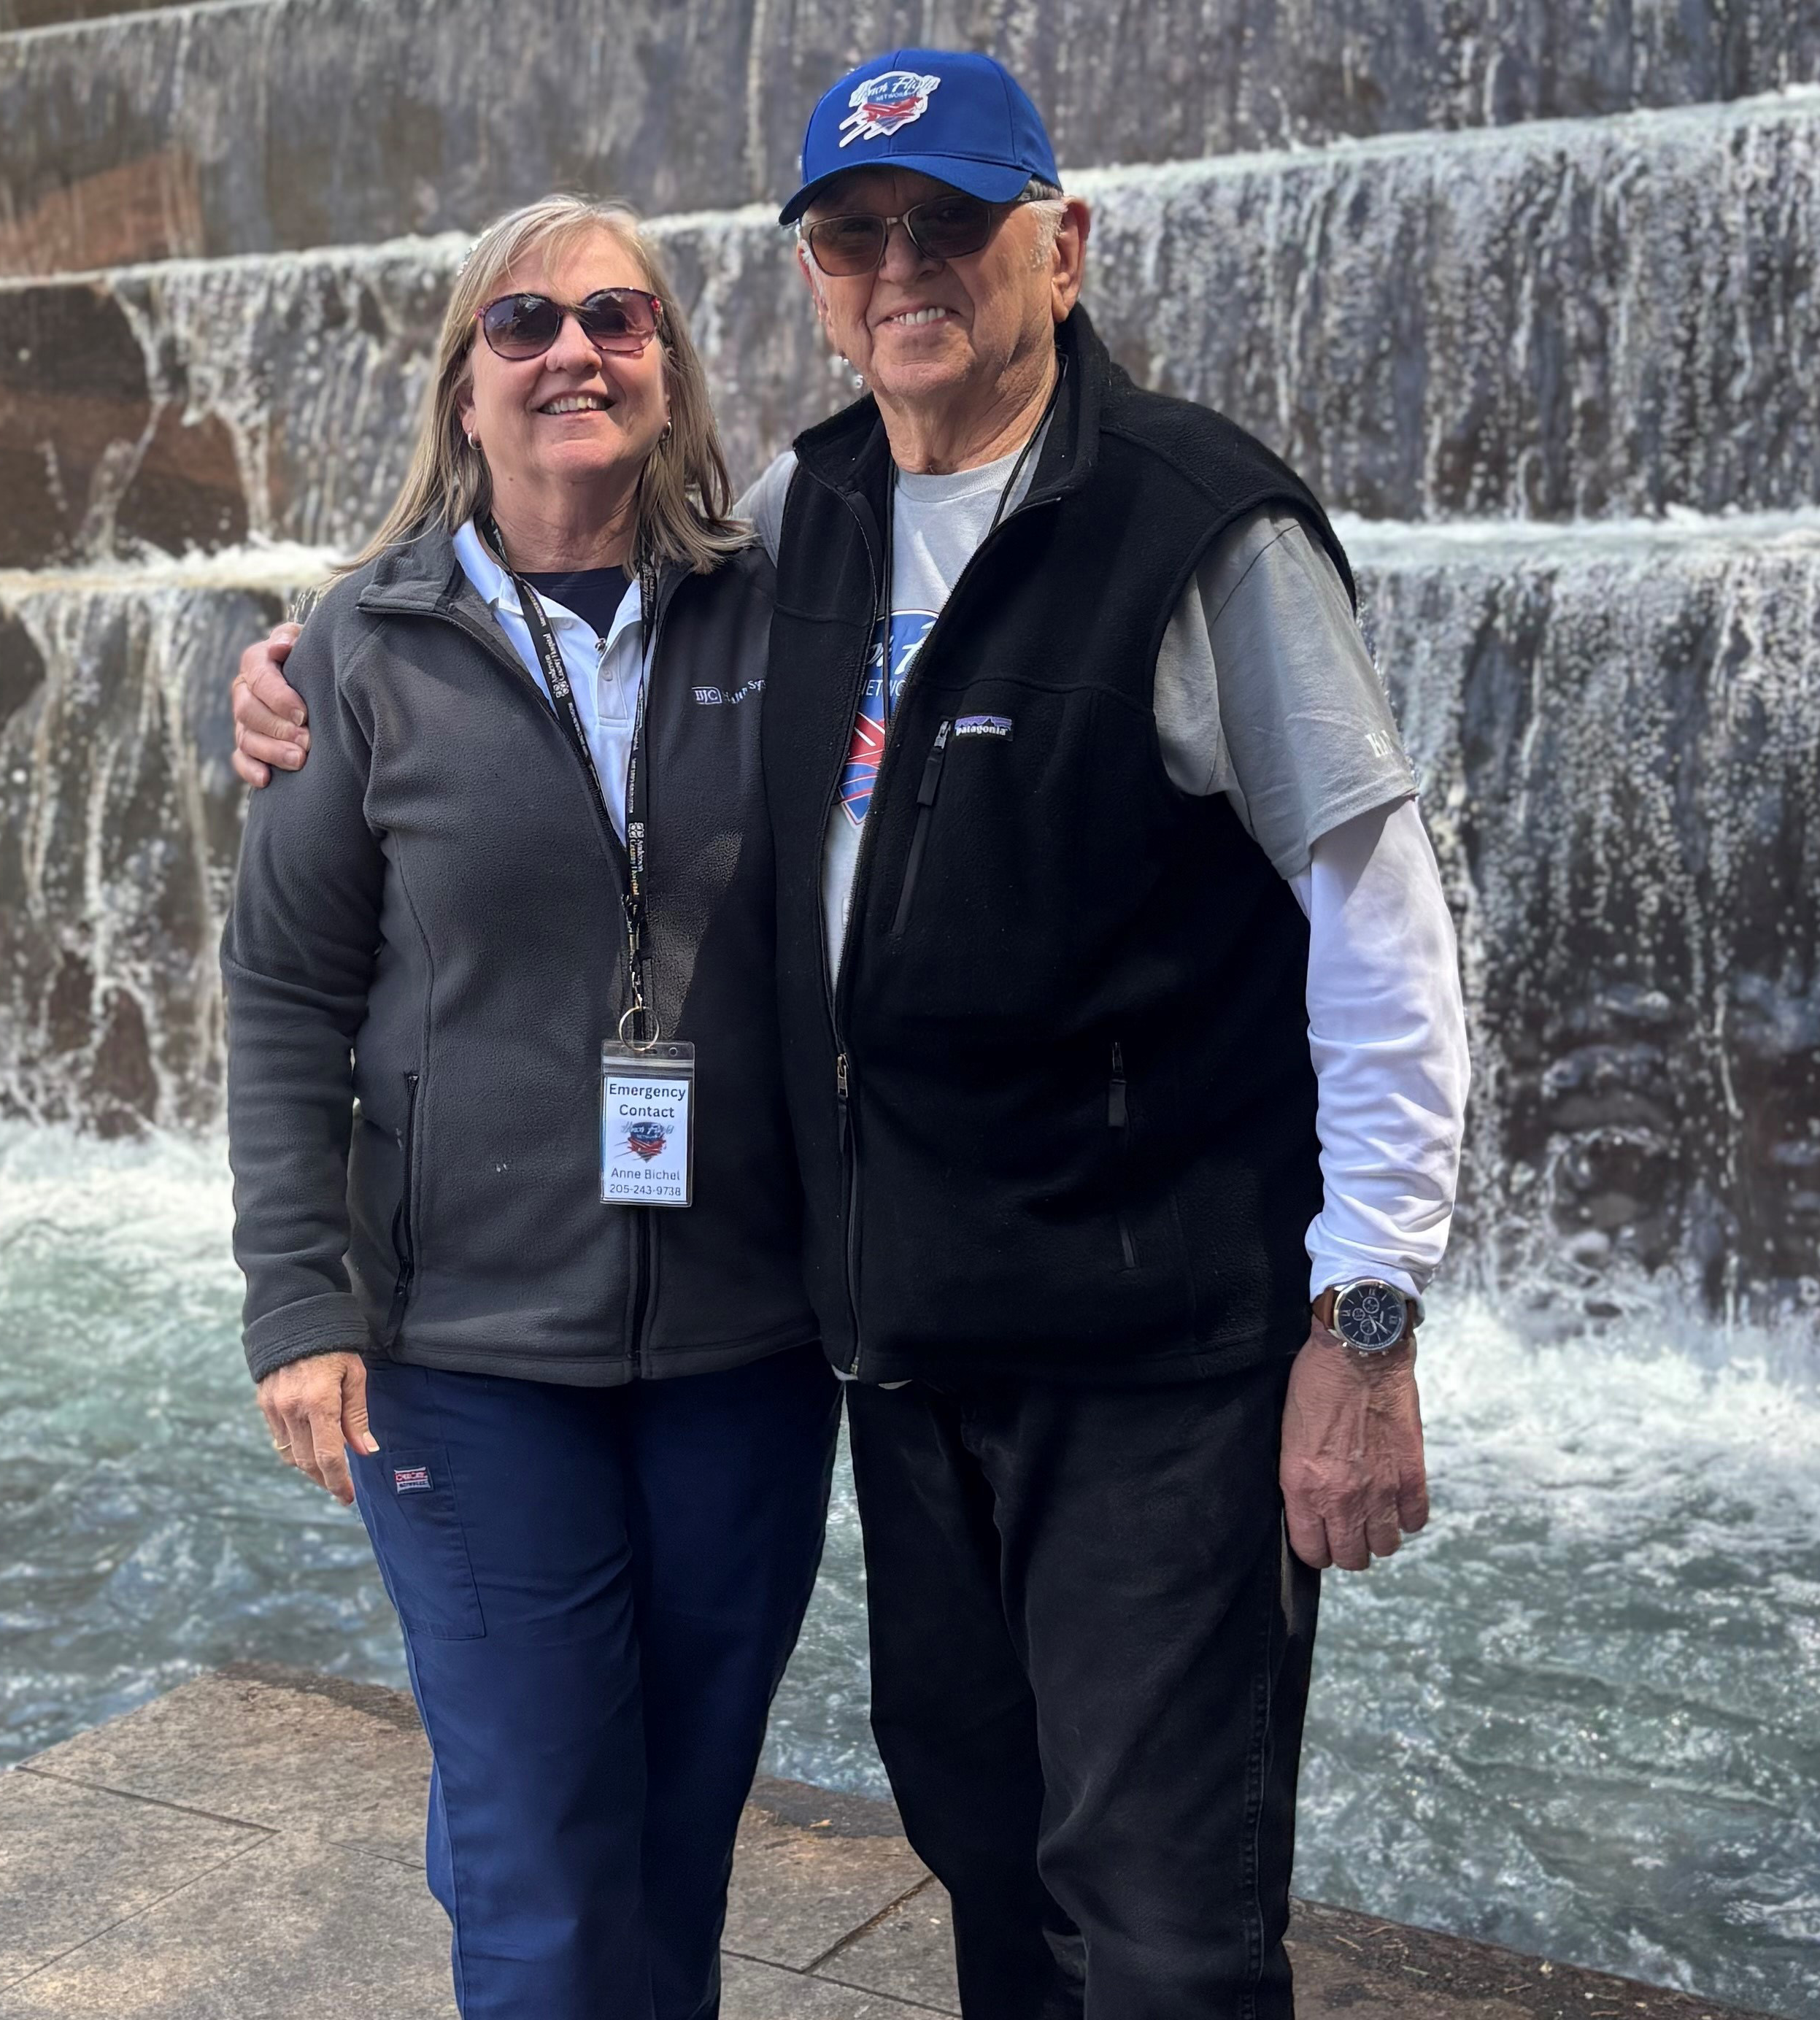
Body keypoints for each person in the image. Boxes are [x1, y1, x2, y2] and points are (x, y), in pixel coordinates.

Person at [234, 50, 1470, 2019]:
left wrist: (1368, 1316)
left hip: (1144, 1355)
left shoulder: (1186, 529)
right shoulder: (802, 527)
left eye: (952, 224)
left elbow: (1380, 928)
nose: (906, 267)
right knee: (981, 1842)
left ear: (1059, 248)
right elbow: (410, 835)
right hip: (894, 1357)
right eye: (857, 234)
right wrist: (311, 664)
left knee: (1159, 1913)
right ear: (812, 277)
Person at [220, 195, 838, 2020]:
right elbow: (282, 990)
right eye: (524, 325)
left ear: (666, 369)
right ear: (463, 390)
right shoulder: (359, 652)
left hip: (745, 1346)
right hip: (469, 1357)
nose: (573, 349)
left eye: (618, 316)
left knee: (676, 1832)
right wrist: (297, 1298)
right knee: (542, 1845)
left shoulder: (775, 611)